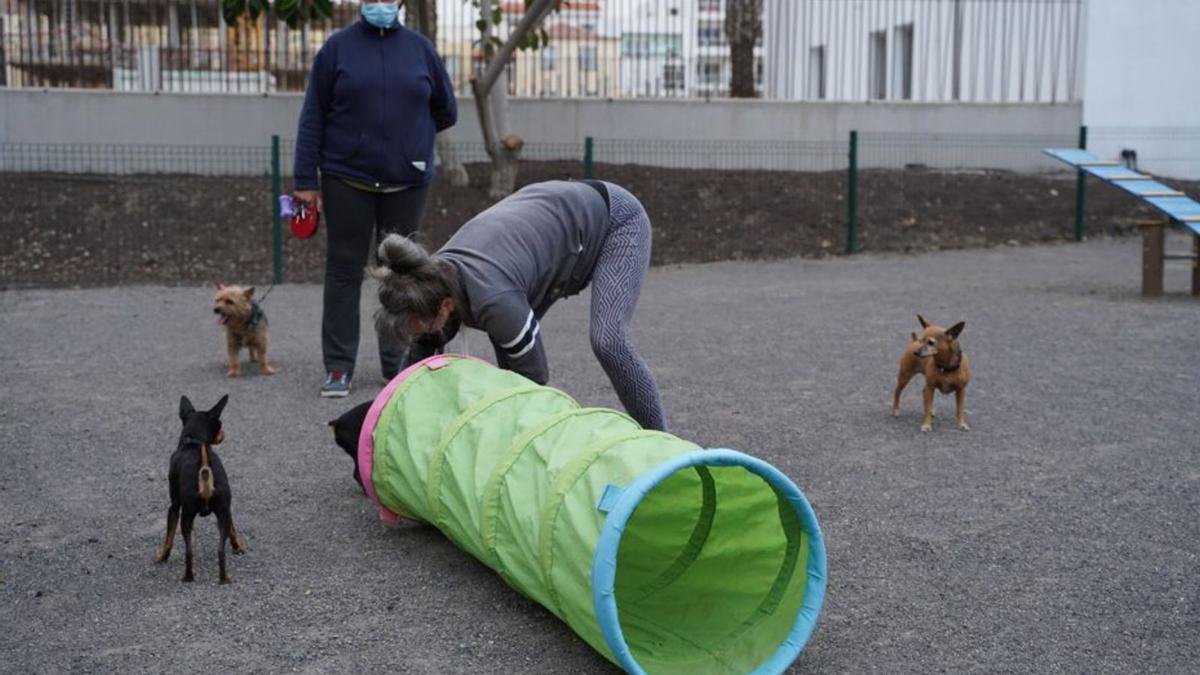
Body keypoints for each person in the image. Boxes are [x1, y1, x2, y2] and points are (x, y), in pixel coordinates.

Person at [373, 180, 666, 431]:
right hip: (548, 225)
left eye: (420, 328)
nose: (420, 335)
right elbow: (414, 372)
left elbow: (534, 384)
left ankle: (664, 445)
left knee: (608, 340)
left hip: (614, 221)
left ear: (446, 307)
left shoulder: (494, 300)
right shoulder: (427, 281)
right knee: (507, 367)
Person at [293, 0, 457, 398]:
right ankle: (338, 367)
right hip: (346, 178)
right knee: (344, 271)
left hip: (407, 180)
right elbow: (313, 114)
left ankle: (396, 361)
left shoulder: (421, 50)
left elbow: (446, 110)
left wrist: (407, 139)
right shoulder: (336, 49)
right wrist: (304, 180)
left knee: (402, 275)